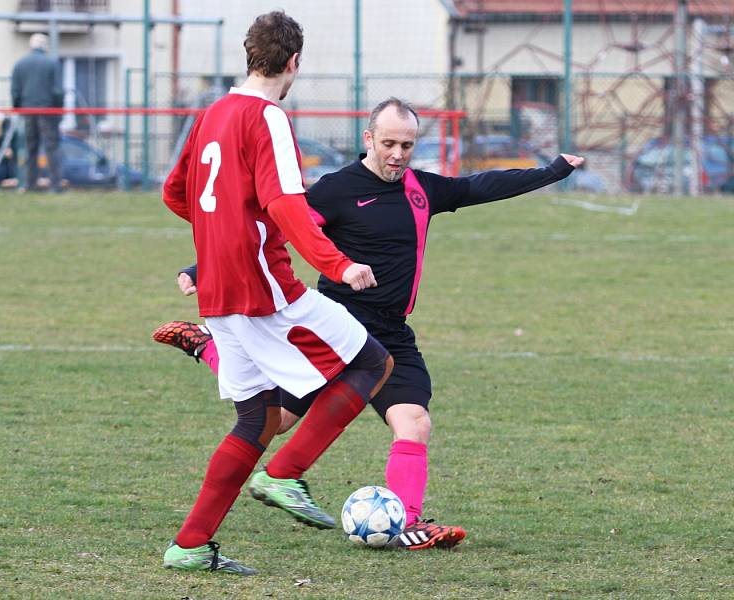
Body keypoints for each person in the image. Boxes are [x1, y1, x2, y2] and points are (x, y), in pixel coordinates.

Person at [155, 97, 585, 551]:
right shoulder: (336, 190)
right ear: (368, 139)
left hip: (392, 332)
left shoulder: (422, 190)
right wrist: (200, 269)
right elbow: (273, 229)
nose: (398, 154)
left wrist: (552, 171)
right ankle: (210, 349)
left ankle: (406, 525)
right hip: (337, 329)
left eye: (407, 144)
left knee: (415, 423)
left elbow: (480, 185)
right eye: (388, 143)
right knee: (274, 422)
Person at [158, 12, 393, 576]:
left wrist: (217, 243)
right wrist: (339, 264)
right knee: (371, 363)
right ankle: (285, 473)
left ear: (248, 56)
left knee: (257, 418)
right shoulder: (268, 118)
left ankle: (190, 545)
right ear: (294, 63)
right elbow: (287, 204)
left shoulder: (212, 113)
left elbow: (176, 193)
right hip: (267, 291)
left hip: (218, 295)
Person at [11, 33, 63, 193]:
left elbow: (15, 92)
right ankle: (55, 186)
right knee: (51, 148)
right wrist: (58, 111)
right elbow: (57, 91)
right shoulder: (51, 63)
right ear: (44, 46)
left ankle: (28, 184)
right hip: (47, 111)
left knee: (30, 148)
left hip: (27, 111)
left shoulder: (20, 64)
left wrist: (18, 108)